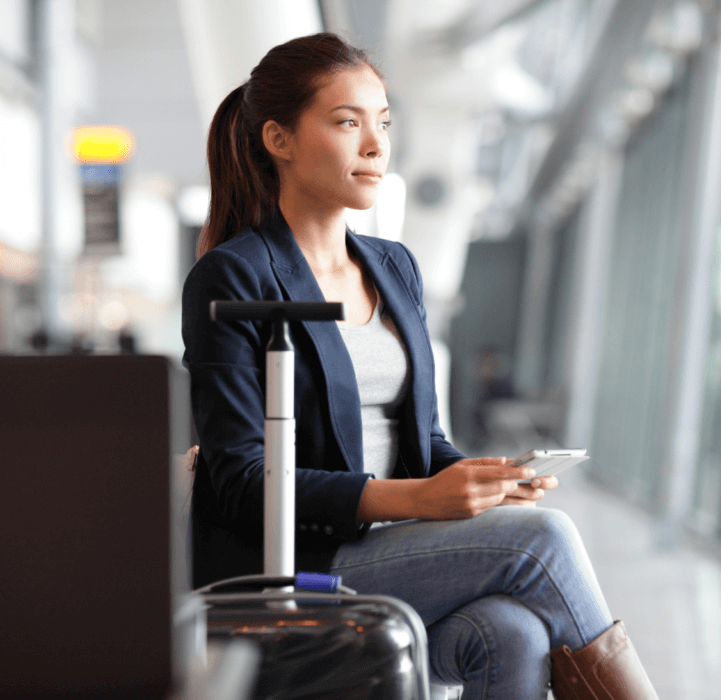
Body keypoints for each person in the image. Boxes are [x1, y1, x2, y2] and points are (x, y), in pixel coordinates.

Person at [181, 32, 657, 699]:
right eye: (347, 123)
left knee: (511, 630)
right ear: (278, 140)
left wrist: (476, 479)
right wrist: (417, 499)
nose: (376, 145)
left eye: (383, 123)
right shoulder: (232, 276)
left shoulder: (393, 267)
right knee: (540, 540)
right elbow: (239, 480)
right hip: (295, 563)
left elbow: (423, 440)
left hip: (394, 546)